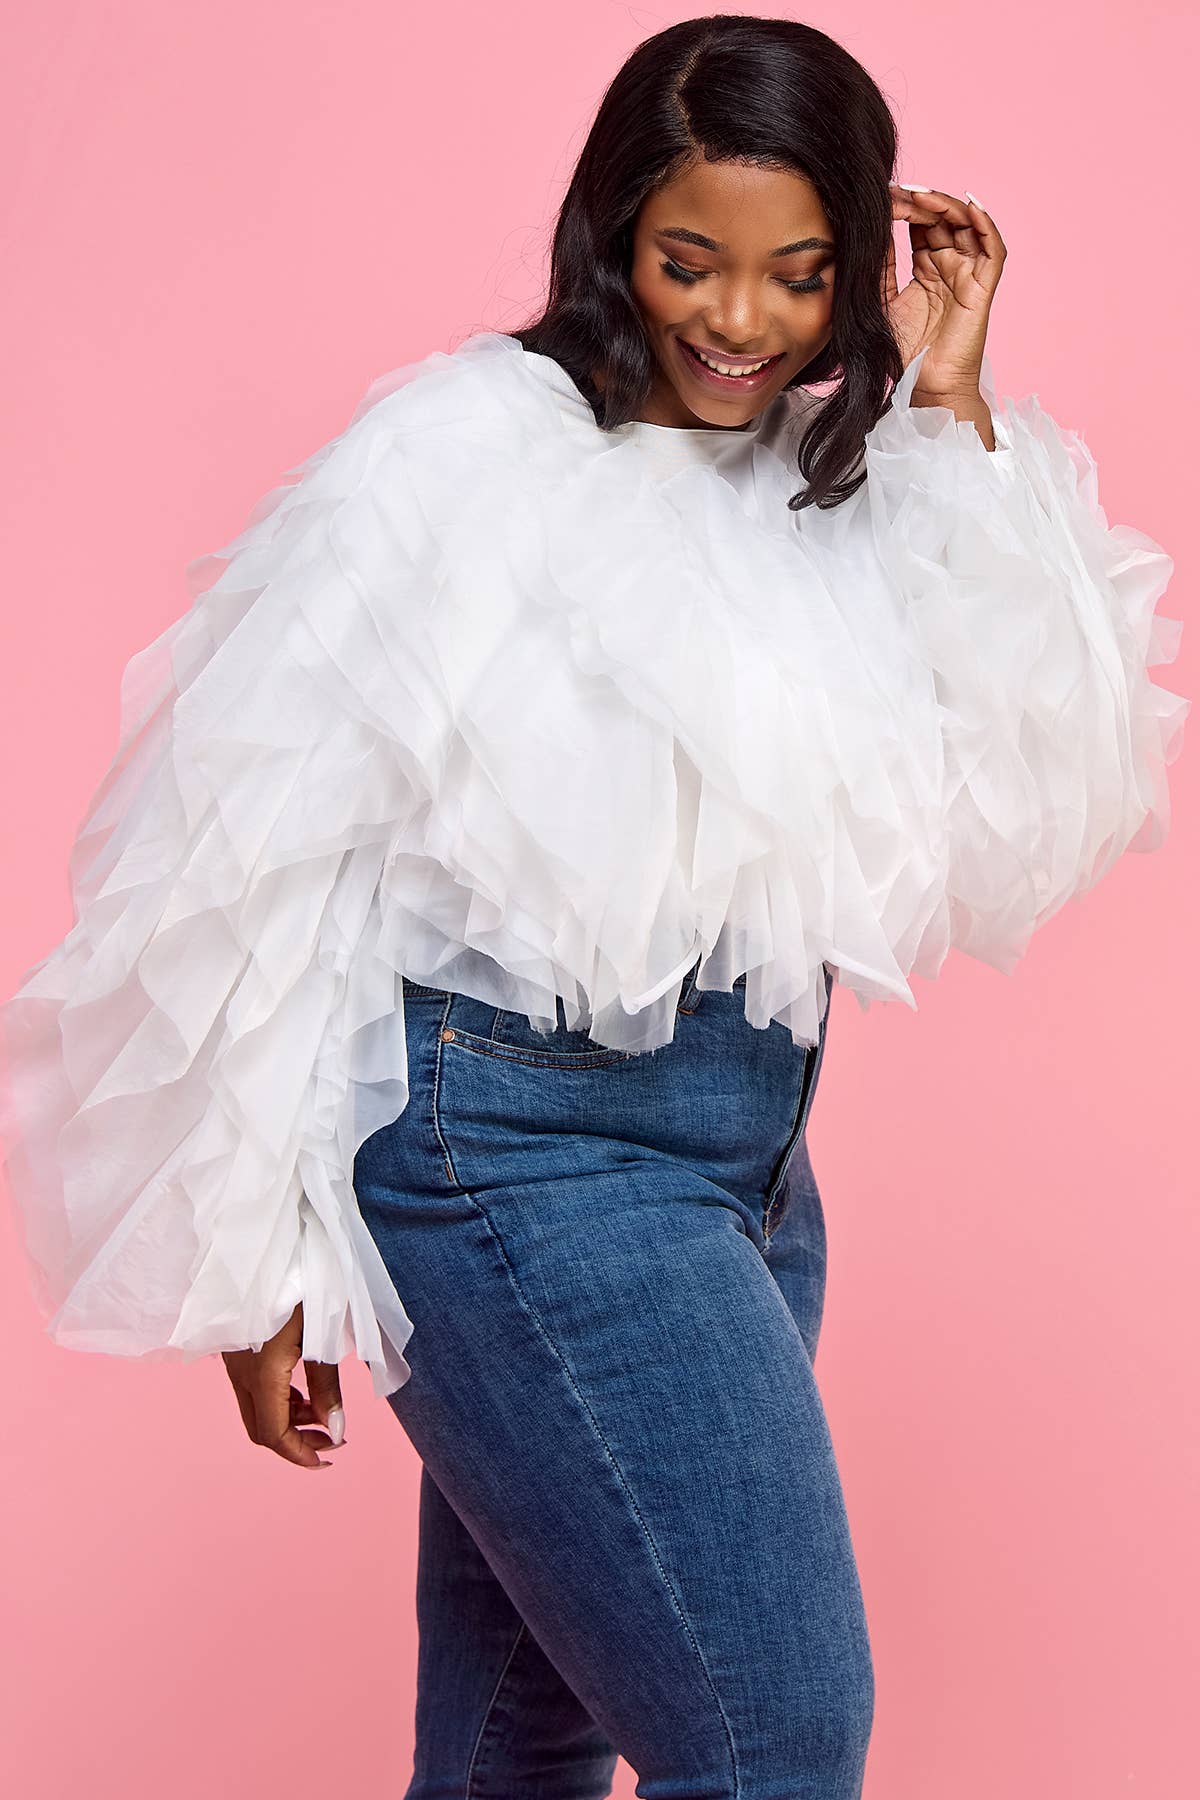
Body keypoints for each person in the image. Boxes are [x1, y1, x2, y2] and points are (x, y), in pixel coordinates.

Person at [0, 15, 1187, 1800]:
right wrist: (253, 1253)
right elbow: (254, 845)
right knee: (774, 1741)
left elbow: (1045, 788)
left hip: (751, 1173)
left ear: (859, 263)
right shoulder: (464, 459)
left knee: (518, 1738)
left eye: (799, 276)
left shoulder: (829, 479)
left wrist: (946, 408)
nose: (739, 321)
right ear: (614, 234)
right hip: (513, 1156)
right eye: (690, 259)